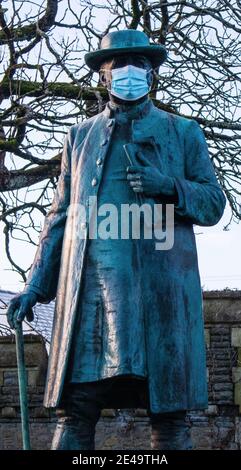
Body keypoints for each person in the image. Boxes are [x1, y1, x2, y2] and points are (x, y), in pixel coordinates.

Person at [7, 29, 226, 450]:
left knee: (171, 418)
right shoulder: (79, 137)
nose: (128, 73)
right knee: (75, 411)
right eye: (117, 66)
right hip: (89, 298)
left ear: (152, 74)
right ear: (103, 78)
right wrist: (36, 286)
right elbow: (59, 218)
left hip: (161, 297)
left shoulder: (184, 132)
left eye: (138, 65)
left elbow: (214, 203)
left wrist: (169, 186)